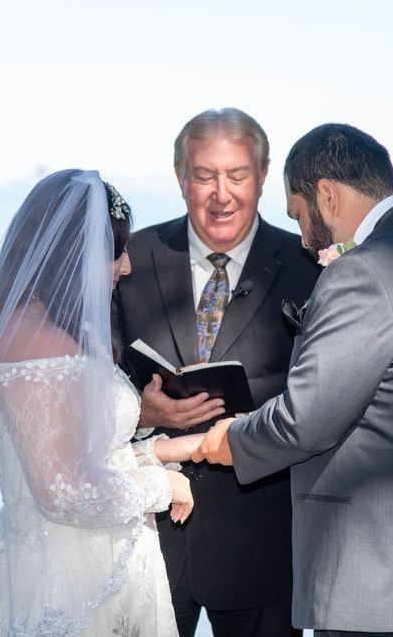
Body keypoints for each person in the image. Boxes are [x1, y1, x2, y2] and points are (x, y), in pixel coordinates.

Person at [195, 124, 393, 636]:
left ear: (327, 194)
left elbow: (304, 420)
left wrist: (230, 438)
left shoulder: (362, 272)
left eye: (299, 215)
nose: (304, 238)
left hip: (374, 588)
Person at [0, 169, 200, 637]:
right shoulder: (39, 346)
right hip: (66, 587)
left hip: (84, 568)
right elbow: (64, 494)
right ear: (73, 256)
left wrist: (163, 450)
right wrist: (162, 485)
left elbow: (78, 457)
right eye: (115, 251)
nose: (126, 266)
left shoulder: (41, 332)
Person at [114, 108, 321, 637]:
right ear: (181, 177)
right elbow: (91, 379)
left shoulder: (310, 266)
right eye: (205, 176)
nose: (221, 195)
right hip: (148, 541)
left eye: (237, 175)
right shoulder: (128, 260)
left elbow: (324, 394)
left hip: (265, 542)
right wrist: (141, 412)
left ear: (262, 177)